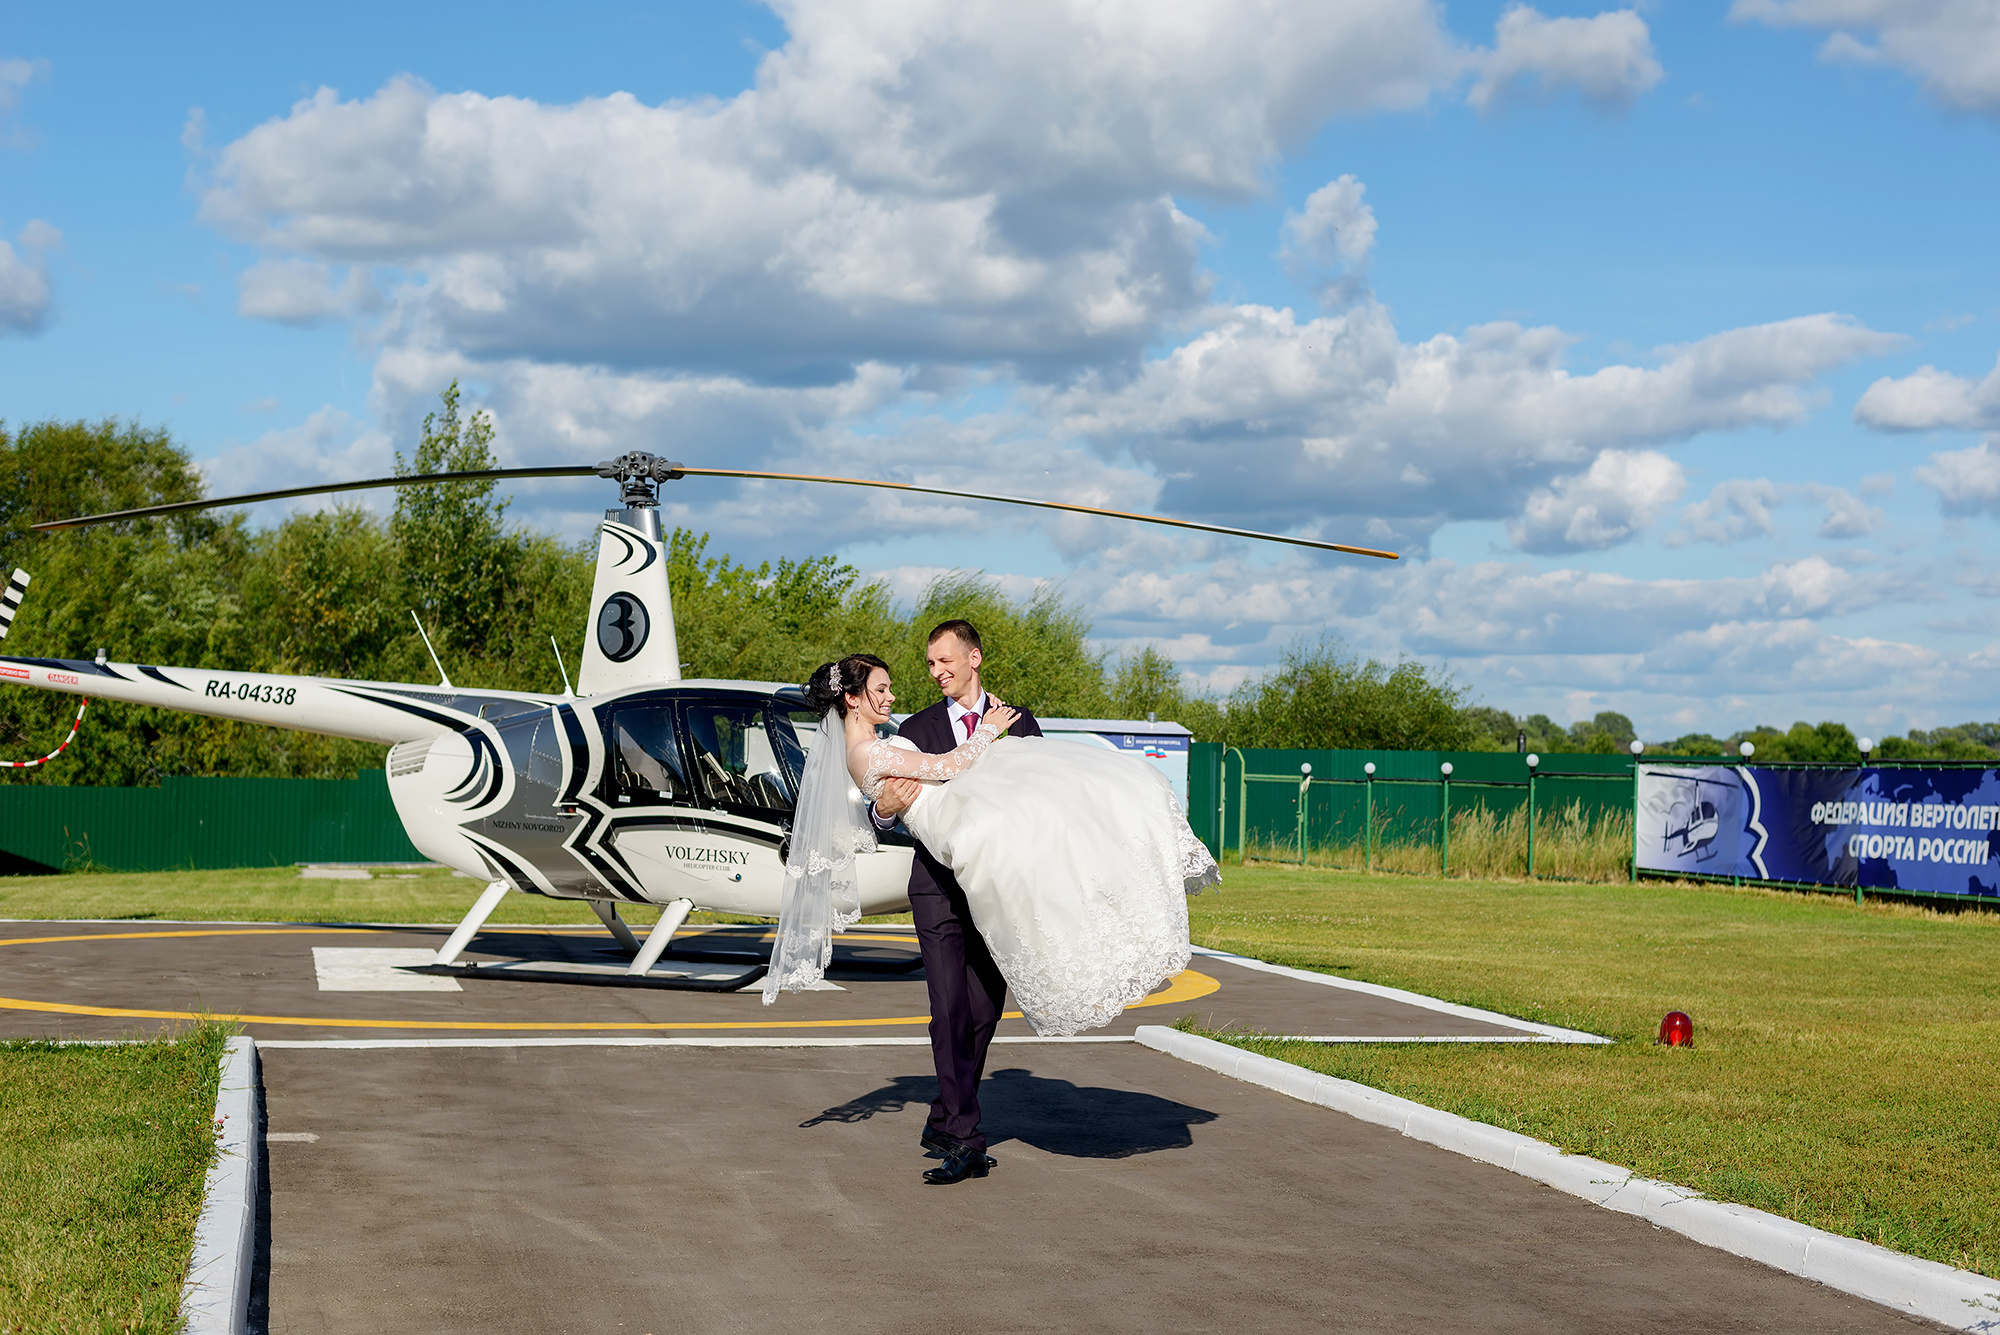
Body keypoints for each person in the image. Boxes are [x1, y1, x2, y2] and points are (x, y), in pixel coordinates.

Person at [765, 626, 1219, 1186]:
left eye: (943, 660)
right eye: (927, 664)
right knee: (949, 1010)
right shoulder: (914, 729)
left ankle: (945, 1116)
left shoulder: (1018, 721)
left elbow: (1045, 798)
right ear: (854, 698)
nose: (933, 672)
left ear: (973, 658)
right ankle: (964, 1136)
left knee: (982, 1013)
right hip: (939, 886)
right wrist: (886, 806)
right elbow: (886, 808)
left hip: (1002, 885)